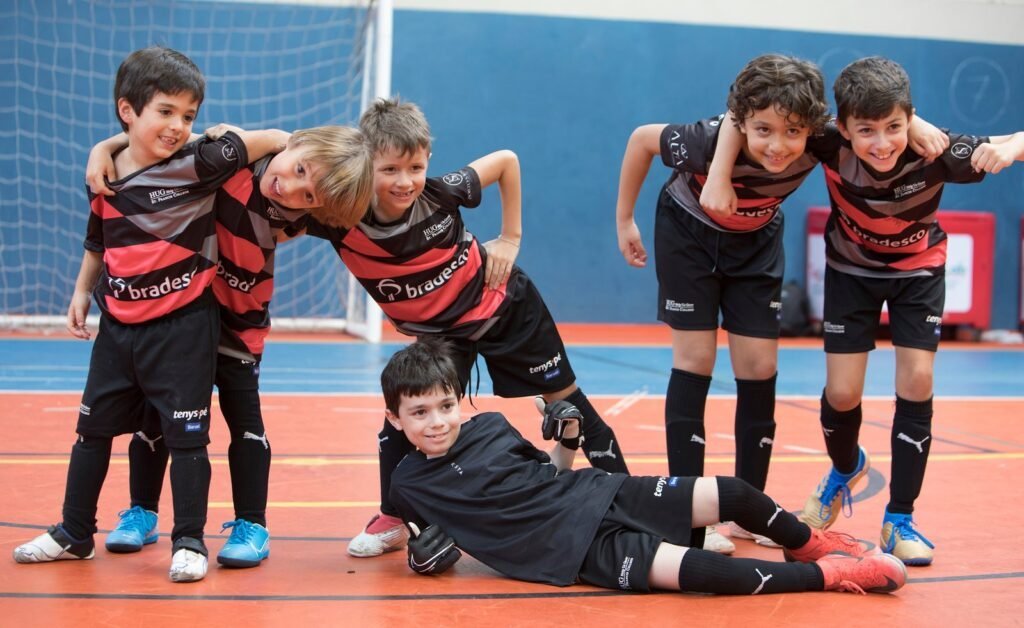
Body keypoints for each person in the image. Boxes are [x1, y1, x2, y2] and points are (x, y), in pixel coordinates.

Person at [703, 56, 1024, 566]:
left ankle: (900, 519)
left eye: (894, 127)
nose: (882, 143)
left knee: (917, 378)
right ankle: (845, 467)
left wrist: (1010, 147)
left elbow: (1008, 140)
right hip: (850, 272)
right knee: (842, 393)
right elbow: (736, 119)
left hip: (918, 271)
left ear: (909, 119)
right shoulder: (826, 141)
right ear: (844, 128)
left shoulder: (937, 150)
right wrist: (719, 172)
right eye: (867, 130)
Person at [302, 97, 631, 558]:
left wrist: (511, 237)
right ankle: (394, 517)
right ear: (364, 162)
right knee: (407, 411)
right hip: (442, 335)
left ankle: (631, 504)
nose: (405, 181)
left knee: (571, 403)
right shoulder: (340, 218)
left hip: (505, 306)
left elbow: (506, 161)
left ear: (428, 160)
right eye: (390, 169)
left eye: (415, 167)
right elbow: (276, 189)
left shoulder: (441, 193)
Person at [9, 46, 280, 582]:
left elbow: (276, 139)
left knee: (187, 439)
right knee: (91, 433)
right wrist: (81, 292)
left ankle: (189, 542)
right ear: (128, 110)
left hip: (184, 327)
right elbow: (98, 240)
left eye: (189, 115)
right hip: (117, 327)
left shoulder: (200, 163)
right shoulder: (104, 176)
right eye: (166, 111)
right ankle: (74, 533)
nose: (178, 126)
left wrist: (225, 134)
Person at [382, 337, 907, 596]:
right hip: (569, 550)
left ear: (458, 400)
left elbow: (552, 472)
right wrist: (424, 561)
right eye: (420, 413)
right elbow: (428, 548)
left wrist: (569, 437)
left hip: (597, 492)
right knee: (703, 573)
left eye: (445, 406)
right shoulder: (407, 484)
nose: (437, 421)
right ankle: (830, 574)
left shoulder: (492, 425)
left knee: (733, 492)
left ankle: (809, 543)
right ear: (395, 418)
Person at [82, 122, 374, 568]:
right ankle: (143, 510)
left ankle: (252, 524)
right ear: (293, 145)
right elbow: (164, 141)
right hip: (178, 320)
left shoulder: (303, 213)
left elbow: (373, 205)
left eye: (308, 195)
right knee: (155, 416)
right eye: (298, 169)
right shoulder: (231, 162)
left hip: (239, 325)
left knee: (245, 421)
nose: (290, 188)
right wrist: (106, 145)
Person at [614, 54, 830, 554]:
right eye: (763, 130)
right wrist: (625, 221)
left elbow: (874, 123)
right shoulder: (705, 140)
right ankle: (687, 512)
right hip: (688, 234)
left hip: (755, 240)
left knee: (759, 365)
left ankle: (750, 509)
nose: (778, 146)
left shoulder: (820, 138)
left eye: (792, 132)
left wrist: (920, 126)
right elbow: (642, 139)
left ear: (811, 127)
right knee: (696, 358)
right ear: (743, 122)